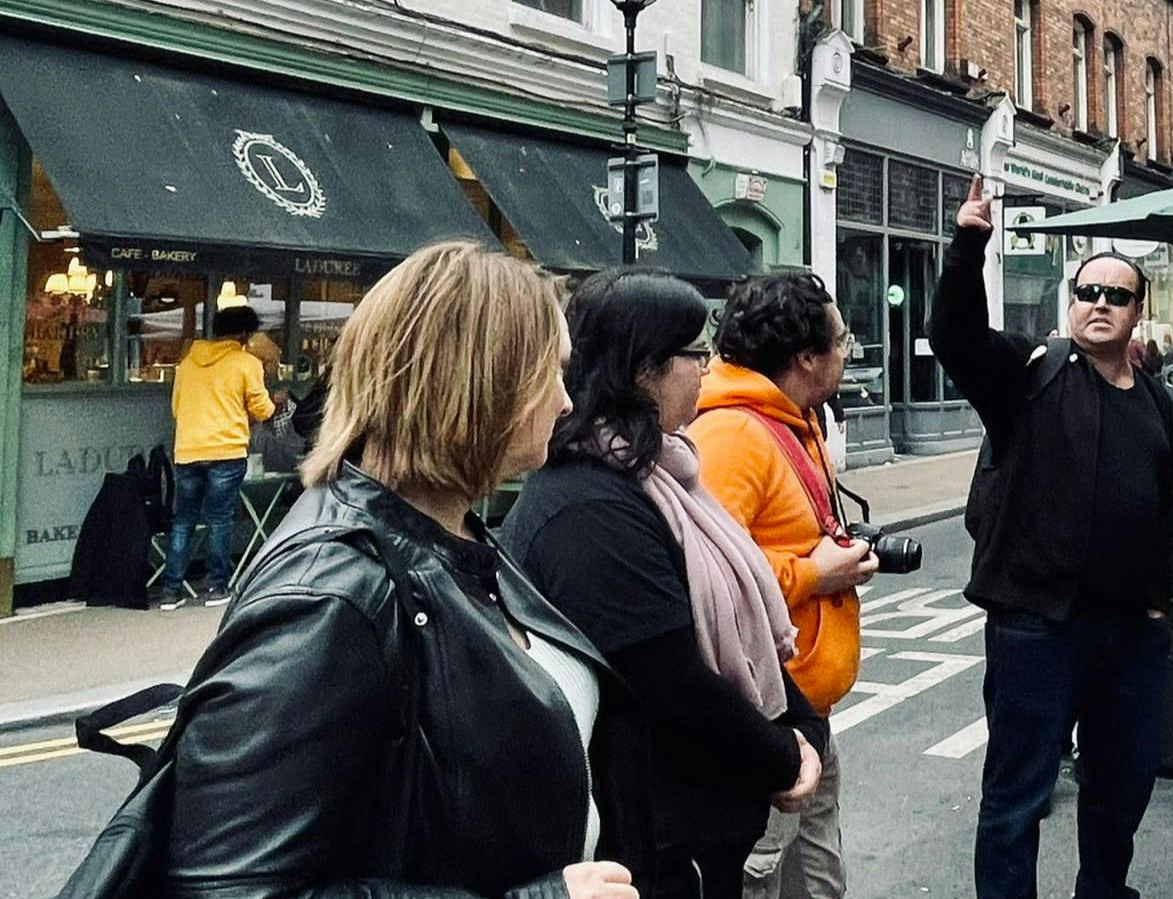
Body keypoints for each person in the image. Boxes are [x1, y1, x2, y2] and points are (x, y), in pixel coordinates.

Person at [67, 241, 649, 898]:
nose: (566, 402)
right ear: (483, 382)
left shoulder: (447, 528)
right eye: (552, 372)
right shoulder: (329, 597)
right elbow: (228, 889)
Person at [502, 269, 828, 899]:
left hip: (698, 833)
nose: (706, 369)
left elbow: (737, 631)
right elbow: (670, 682)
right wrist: (784, 754)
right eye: (694, 353)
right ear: (644, 370)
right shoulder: (588, 509)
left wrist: (802, 725)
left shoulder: (665, 474)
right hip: (656, 850)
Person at [932, 177, 1173, 899]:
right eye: (1087, 292)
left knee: (1121, 785)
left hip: (1129, 633)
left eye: (1116, 296)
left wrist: (1161, 603)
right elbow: (954, 337)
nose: (1100, 304)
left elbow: (1162, 502)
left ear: (1138, 312)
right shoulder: (1028, 373)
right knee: (1018, 796)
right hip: (1039, 627)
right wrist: (968, 244)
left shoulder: (1156, 399)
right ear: (1071, 302)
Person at [694, 272, 874, 899]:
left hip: (805, 706)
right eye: (840, 340)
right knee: (761, 870)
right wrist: (816, 574)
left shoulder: (793, 418)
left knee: (818, 872)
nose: (847, 351)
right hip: (768, 710)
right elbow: (710, 576)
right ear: (805, 358)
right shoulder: (732, 434)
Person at [160, 304, 286, 608]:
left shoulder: (188, 364)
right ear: (244, 333)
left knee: (184, 520)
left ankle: (170, 591)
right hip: (226, 449)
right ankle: (217, 587)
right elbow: (262, 410)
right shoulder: (246, 363)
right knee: (219, 519)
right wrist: (275, 401)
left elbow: (177, 408)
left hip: (189, 449)